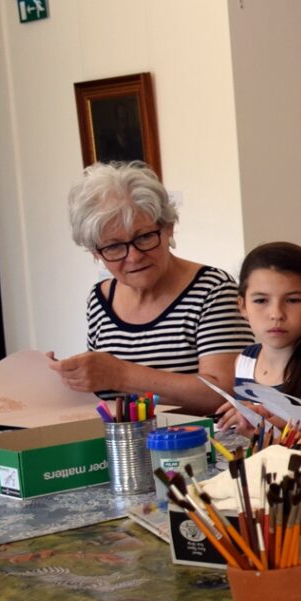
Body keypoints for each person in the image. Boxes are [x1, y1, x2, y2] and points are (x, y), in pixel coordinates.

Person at [50, 161, 254, 415]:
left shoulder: (212, 290)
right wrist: (68, 377)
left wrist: (119, 374)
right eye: (114, 247)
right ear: (95, 252)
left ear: (168, 228)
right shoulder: (100, 298)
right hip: (123, 449)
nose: (134, 257)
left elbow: (225, 394)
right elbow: (104, 395)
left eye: (144, 237)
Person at [216, 242, 301, 435]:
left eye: (292, 300)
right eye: (261, 300)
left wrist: (271, 420)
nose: (276, 314)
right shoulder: (244, 361)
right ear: (242, 306)